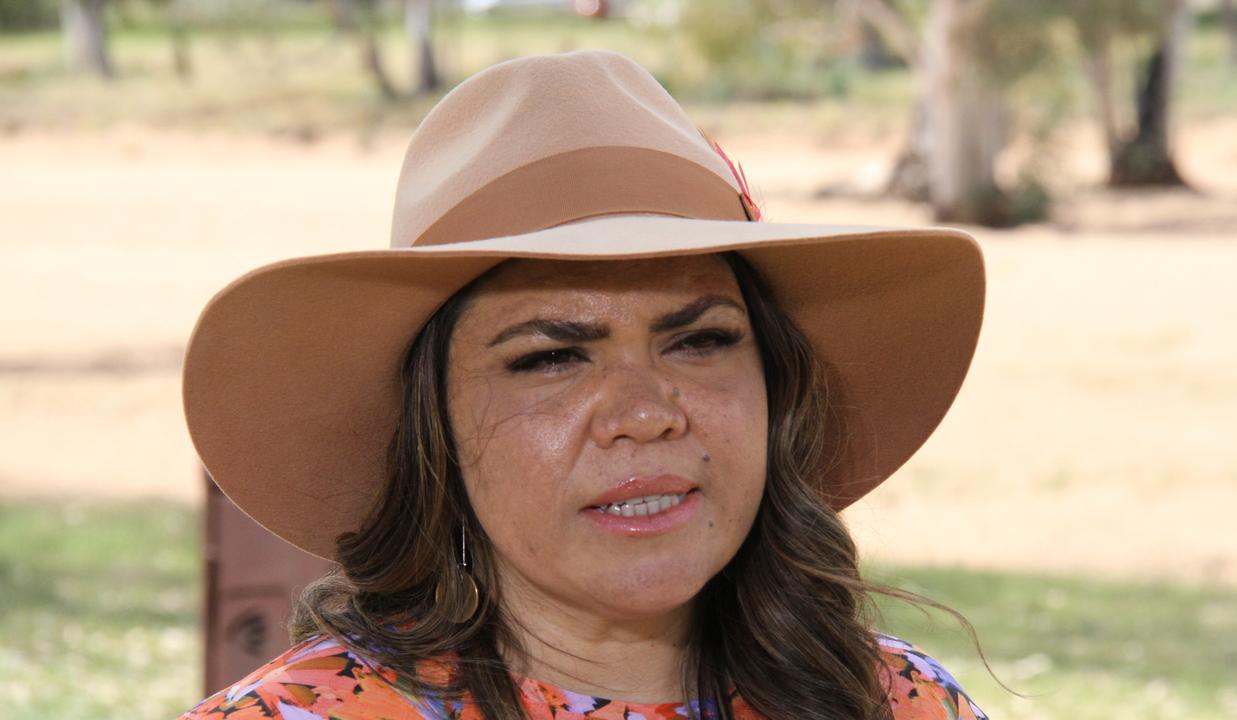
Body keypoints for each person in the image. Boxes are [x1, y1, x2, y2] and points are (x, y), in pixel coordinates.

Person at [178, 49, 988, 720]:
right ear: (434, 431)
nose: (644, 414)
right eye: (551, 358)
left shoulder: (895, 703)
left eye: (701, 341)